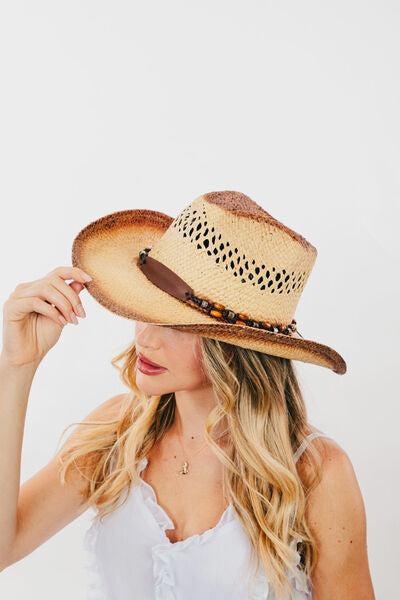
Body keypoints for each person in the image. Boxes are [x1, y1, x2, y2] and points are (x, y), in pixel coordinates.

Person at [0, 190, 375, 599]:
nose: (145, 338)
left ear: (233, 349)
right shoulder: (117, 433)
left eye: (176, 324)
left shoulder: (314, 472)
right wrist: (18, 367)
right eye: (146, 311)